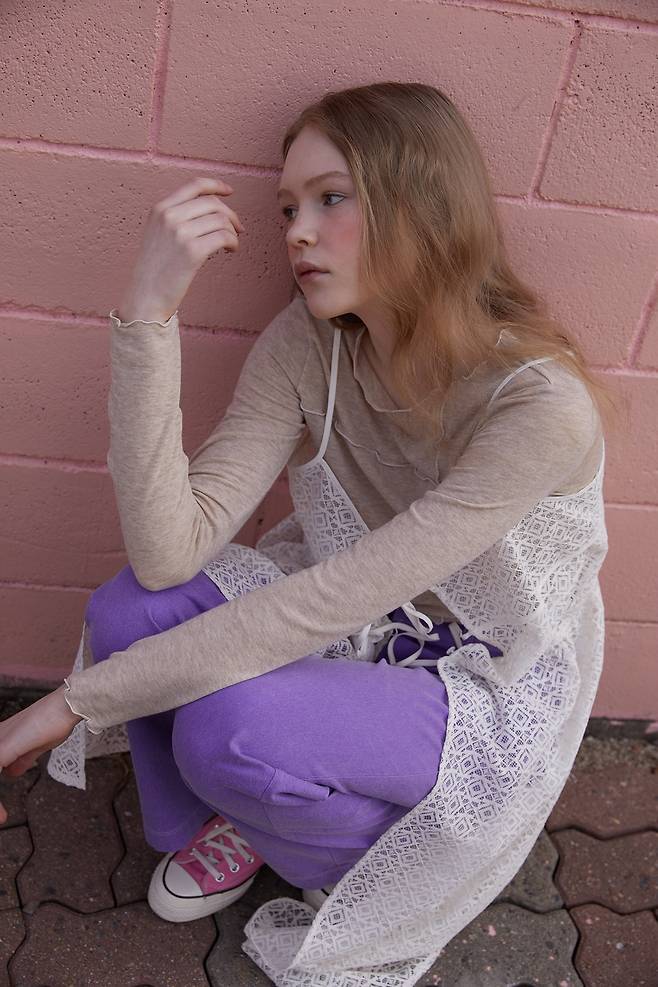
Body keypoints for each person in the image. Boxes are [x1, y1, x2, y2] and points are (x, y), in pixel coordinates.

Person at [0, 82, 617, 986]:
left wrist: (70, 703)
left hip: (479, 666)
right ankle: (231, 819)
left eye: (331, 198)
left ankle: (355, 858)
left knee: (229, 725)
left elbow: (330, 597)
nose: (296, 231)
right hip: (357, 622)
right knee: (129, 610)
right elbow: (169, 553)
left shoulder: (536, 404)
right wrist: (148, 311)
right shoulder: (309, 344)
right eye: (288, 207)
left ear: (422, 201)